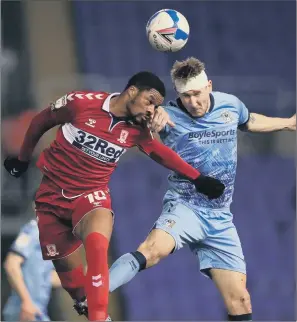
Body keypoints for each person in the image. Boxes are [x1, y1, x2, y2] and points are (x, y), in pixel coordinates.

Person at [3, 71, 225, 321]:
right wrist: (22, 159)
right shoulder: (80, 103)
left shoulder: (138, 129)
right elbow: (40, 122)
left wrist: (198, 178)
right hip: (51, 197)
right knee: (71, 278)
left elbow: (160, 152)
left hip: (92, 195)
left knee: (98, 247)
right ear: (132, 91)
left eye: (157, 105)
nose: (152, 109)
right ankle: (86, 304)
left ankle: (99, 317)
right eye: (150, 100)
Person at [108, 58, 296, 321]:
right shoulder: (166, 115)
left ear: (209, 86)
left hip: (220, 217)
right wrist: (154, 118)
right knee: (151, 251)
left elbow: (250, 121)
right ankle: (95, 292)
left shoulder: (230, 104)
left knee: (240, 301)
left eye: (197, 94)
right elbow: (138, 116)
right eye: (185, 96)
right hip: (185, 206)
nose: (192, 102)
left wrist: (289, 123)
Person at [3, 216, 61, 321]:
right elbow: (11, 264)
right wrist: (26, 302)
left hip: (38, 312)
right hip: (24, 312)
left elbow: (48, 278)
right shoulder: (33, 229)